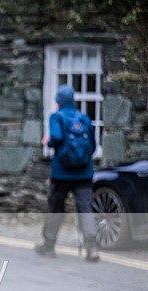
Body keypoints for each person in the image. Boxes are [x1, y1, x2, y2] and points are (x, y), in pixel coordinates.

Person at [35, 84, 100, 262]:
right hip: (84, 173)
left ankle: (49, 246)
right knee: (85, 209)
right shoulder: (84, 118)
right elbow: (93, 146)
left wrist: (48, 142)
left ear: (59, 102)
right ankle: (92, 249)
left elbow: (56, 137)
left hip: (61, 174)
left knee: (56, 208)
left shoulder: (56, 117)